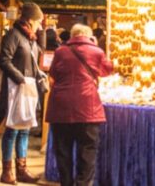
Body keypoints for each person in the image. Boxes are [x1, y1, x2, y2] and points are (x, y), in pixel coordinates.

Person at [46, 24, 114, 186]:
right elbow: (108, 70)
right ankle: (83, 184)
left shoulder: (60, 51)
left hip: (61, 108)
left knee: (63, 153)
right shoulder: (97, 52)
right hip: (87, 109)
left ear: (72, 36)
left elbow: (53, 73)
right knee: (87, 152)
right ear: (89, 37)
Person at [0, 2, 47, 184]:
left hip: (28, 90)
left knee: (24, 130)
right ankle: (7, 171)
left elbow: (34, 61)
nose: (40, 25)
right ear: (30, 20)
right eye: (38, 22)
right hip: (16, 89)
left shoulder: (30, 39)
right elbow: (4, 60)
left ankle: (22, 170)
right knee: (12, 130)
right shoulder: (14, 36)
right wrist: (20, 78)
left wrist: (38, 75)